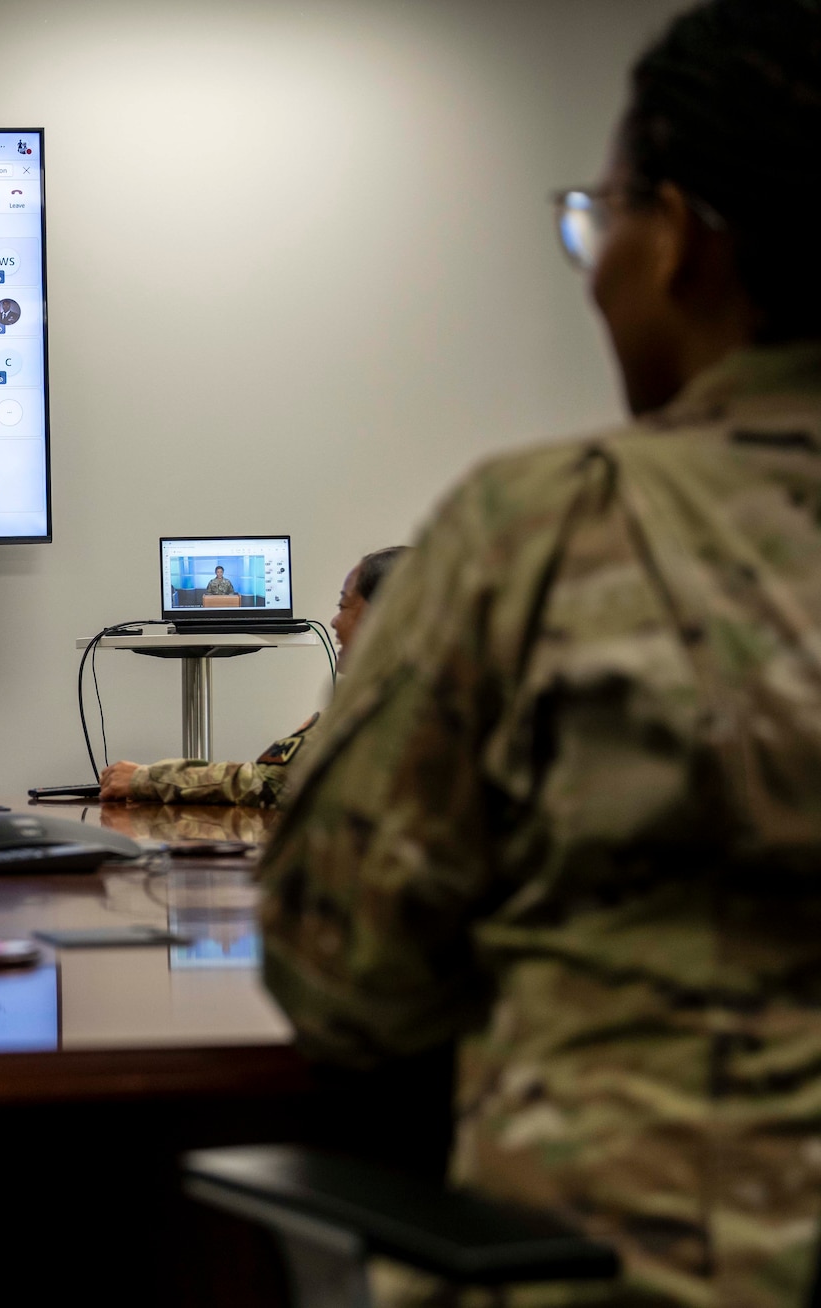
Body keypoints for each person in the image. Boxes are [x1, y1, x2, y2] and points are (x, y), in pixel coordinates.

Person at [258, 3, 821, 1304]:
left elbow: (340, 978)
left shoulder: (551, 526)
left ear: (678, 241)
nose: (594, 264)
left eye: (598, 218)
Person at [99, 546, 408, 806]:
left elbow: (265, 782)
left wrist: (146, 778)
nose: (334, 621)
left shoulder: (377, 708)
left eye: (344, 605)